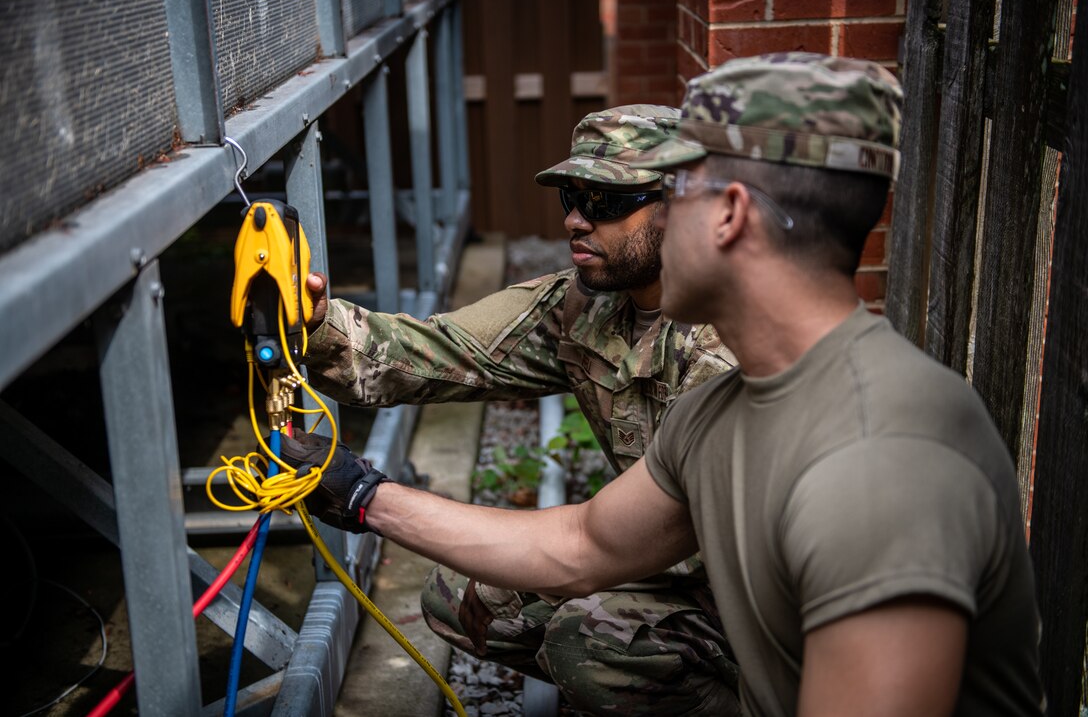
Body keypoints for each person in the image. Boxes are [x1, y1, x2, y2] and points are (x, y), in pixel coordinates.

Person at [286, 52, 1046, 715]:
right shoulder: (725, 409)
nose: (581, 224)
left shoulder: (882, 464)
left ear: (729, 217)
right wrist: (360, 493)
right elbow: (579, 544)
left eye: (671, 192)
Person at [298, 105, 741, 714]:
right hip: (650, 555)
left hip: (752, 603)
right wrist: (316, 323)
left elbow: (633, 544)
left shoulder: (727, 344)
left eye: (604, 201)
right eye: (569, 197)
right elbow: (438, 352)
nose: (577, 221)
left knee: (590, 641)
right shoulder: (585, 304)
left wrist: (367, 497)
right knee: (460, 596)